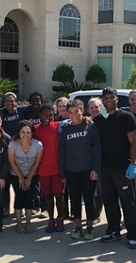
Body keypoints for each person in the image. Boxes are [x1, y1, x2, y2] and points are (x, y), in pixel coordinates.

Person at [93, 87, 136, 249]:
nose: (108, 100)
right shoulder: (100, 118)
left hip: (123, 167)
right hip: (106, 168)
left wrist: (133, 164)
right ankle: (113, 230)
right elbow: (91, 126)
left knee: (128, 202)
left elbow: (134, 142)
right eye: (105, 98)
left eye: (111, 97)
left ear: (116, 99)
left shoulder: (127, 117)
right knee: (109, 201)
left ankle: (133, 234)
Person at [58, 99, 101, 240]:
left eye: (76, 111)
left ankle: (89, 227)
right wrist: (62, 172)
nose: (73, 114)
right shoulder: (64, 129)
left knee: (89, 199)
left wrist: (96, 169)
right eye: (70, 112)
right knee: (74, 199)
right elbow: (62, 152)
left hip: (88, 170)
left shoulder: (91, 126)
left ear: (82, 111)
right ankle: (77, 226)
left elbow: (97, 149)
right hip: (72, 171)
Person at [34, 103, 65, 233]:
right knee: (48, 196)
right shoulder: (34, 129)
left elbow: (75, 121)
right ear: (40, 115)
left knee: (59, 195)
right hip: (43, 170)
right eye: (45, 114)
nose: (48, 116)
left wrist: (86, 118)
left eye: (51, 114)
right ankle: (51, 219)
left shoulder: (59, 126)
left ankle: (60, 218)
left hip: (57, 169)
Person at [8, 120, 44, 233]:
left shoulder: (38, 145)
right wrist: (20, 177)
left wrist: (28, 178)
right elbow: (12, 162)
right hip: (16, 174)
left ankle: (28, 223)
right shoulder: (13, 145)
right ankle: (19, 224)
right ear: (18, 133)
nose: (25, 135)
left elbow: (36, 164)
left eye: (28, 132)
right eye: (23, 132)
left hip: (32, 174)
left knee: (29, 197)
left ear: (32, 133)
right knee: (19, 197)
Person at [86, 97, 104, 223]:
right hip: (87, 161)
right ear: (88, 110)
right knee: (89, 189)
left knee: (99, 189)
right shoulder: (86, 123)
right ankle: (90, 213)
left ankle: (96, 214)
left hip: (103, 160)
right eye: (91, 107)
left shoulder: (106, 121)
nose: (94, 109)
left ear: (101, 108)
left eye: (96, 107)